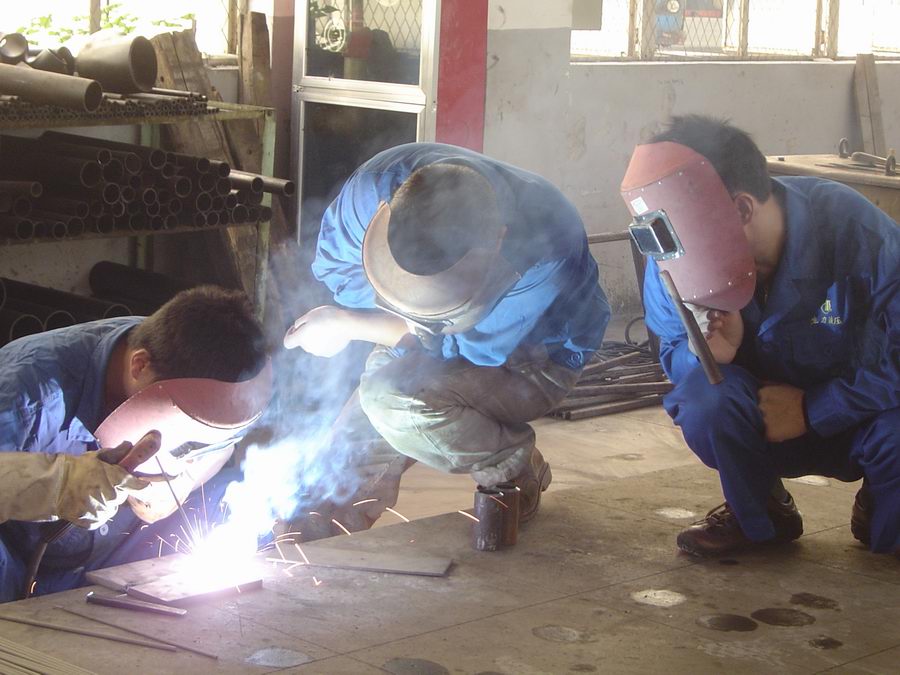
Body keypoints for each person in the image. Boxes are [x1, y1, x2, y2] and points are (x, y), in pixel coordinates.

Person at [284, 142, 610, 534]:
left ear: (497, 241)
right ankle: (326, 524)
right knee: (330, 483)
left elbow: (454, 351)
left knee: (395, 403)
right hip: (437, 340)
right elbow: (338, 269)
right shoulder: (372, 189)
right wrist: (368, 316)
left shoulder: (545, 249)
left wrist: (348, 324)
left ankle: (511, 464)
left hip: (531, 358)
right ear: (383, 216)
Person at [620, 115, 898, 557]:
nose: (672, 256)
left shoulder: (856, 231)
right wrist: (707, 354)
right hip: (762, 419)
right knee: (705, 399)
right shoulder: (672, 257)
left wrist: (814, 408)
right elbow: (672, 347)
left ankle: (881, 501)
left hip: (859, 419)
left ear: (742, 210)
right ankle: (761, 511)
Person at [0, 285, 272, 602]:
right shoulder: (27, 395)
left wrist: (186, 479)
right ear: (139, 366)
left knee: (236, 497)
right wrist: (59, 484)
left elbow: (225, 442)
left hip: (114, 547)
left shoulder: (211, 359)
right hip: (22, 562)